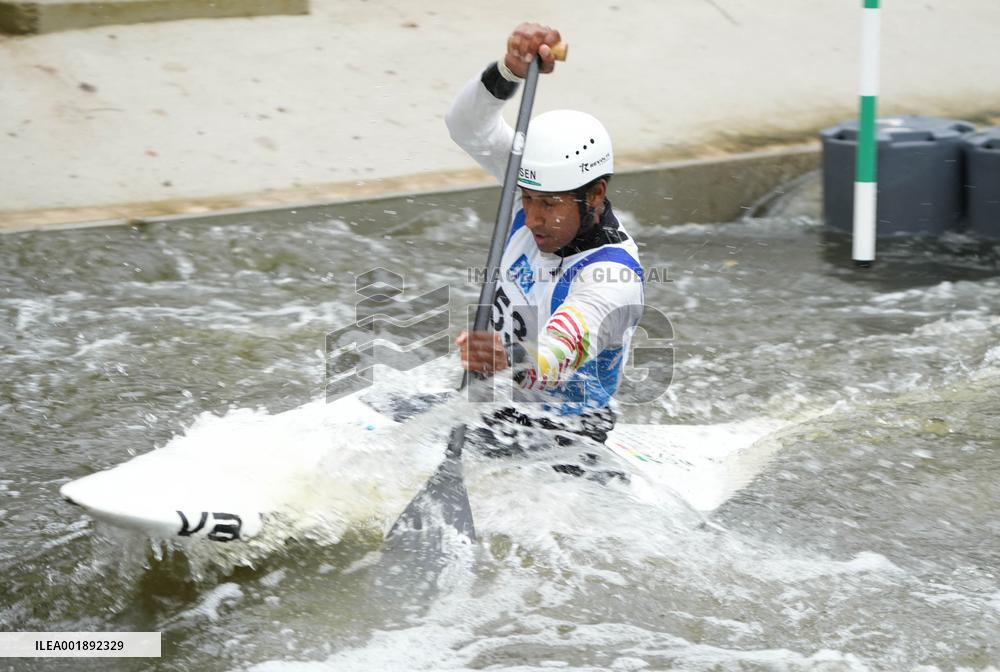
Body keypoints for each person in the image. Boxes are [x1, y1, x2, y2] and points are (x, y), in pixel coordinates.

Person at [448, 23, 644, 480]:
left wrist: (506, 358)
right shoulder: (534, 184)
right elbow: (465, 126)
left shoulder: (614, 280)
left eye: (550, 205)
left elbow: (555, 355)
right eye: (527, 200)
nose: (532, 218)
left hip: (561, 440)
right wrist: (508, 71)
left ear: (594, 194)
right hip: (489, 410)